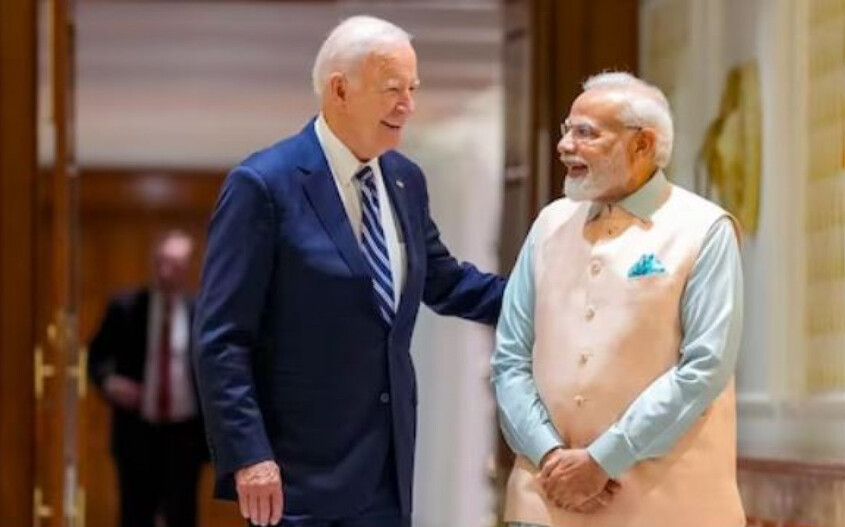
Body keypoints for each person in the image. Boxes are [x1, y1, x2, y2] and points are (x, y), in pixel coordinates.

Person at [193, 15, 505, 527]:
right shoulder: (263, 186)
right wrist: (249, 454)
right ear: (339, 90)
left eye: (413, 88)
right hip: (296, 478)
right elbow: (221, 339)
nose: (408, 104)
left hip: (387, 469)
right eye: (392, 89)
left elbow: (446, 282)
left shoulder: (405, 179)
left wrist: (549, 293)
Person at [491, 71, 745, 527]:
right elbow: (510, 357)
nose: (565, 145)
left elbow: (704, 368)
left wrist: (603, 461)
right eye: (568, 130)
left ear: (643, 145)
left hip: (668, 509)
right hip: (543, 505)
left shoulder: (704, 228)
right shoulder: (548, 224)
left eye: (586, 133)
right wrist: (550, 456)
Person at [88, 230, 207, 527]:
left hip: (185, 434)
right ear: (153, 263)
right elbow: (96, 359)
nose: (167, 273)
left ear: (188, 268)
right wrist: (109, 382)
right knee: (134, 514)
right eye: (162, 262)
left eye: (176, 265)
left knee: (183, 515)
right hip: (137, 431)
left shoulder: (200, 312)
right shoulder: (126, 308)